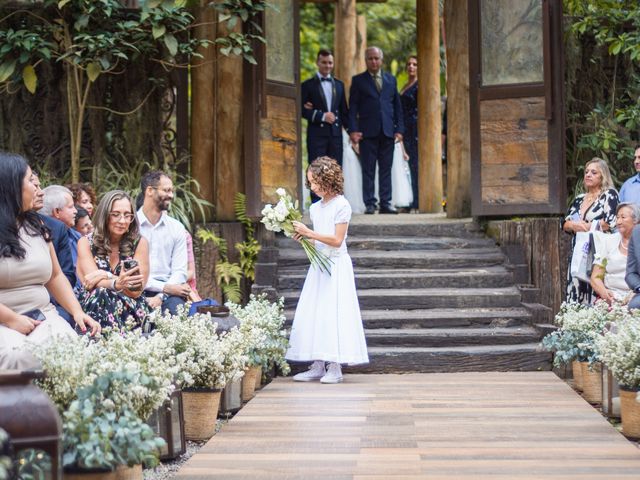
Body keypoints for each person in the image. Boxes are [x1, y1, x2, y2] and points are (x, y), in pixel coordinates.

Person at [0, 152, 100, 369]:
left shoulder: (38, 227)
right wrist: (12, 319)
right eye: (30, 181)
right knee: (18, 357)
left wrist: (77, 312)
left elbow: (55, 276)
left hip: (43, 316)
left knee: (70, 350)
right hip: (4, 322)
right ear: (11, 186)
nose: (38, 189)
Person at [286, 157, 369, 383]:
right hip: (319, 266)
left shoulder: (342, 205)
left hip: (336, 266)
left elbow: (337, 240)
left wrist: (309, 232)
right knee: (317, 313)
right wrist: (303, 239)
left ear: (327, 179)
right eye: (309, 182)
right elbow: (319, 242)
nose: (311, 186)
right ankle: (317, 364)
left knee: (334, 312)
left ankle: (335, 367)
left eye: (314, 182)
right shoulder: (314, 208)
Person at [76, 190, 150, 329]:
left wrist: (105, 275)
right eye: (115, 215)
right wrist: (117, 282)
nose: (122, 221)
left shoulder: (140, 243)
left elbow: (135, 290)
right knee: (101, 293)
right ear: (104, 216)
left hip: (131, 307)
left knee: (103, 292)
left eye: (127, 215)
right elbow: (92, 282)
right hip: (94, 304)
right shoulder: (85, 243)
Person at [348, 46, 404, 215]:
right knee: (368, 169)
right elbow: (353, 108)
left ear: (381, 60)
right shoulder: (358, 81)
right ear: (366, 60)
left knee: (386, 169)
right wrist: (353, 130)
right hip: (367, 132)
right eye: (370, 58)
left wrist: (399, 129)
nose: (374, 61)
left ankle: (386, 203)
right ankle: (370, 203)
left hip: (387, 132)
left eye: (376, 58)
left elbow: (397, 107)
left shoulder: (390, 80)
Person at [563, 158, 619, 303]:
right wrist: (574, 226)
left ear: (603, 176)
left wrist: (585, 226)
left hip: (598, 252)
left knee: (595, 290)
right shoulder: (579, 199)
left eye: (594, 172)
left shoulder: (609, 195)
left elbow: (610, 222)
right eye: (586, 172)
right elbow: (565, 224)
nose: (588, 175)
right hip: (578, 253)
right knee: (575, 289)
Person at [137, 171, 190, 314]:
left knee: (177, 311)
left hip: (170, 295)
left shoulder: (176, 228)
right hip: (135, 290)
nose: (171, 195)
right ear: (149, 191)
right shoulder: (130, 226)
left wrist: (161, 295)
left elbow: (179, 272)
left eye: (171, 191)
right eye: (166, 190)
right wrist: (164, 288)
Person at [301, 49, 349, 204]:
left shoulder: (340, 85)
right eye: (324, 62)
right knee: (316, 169)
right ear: (317, 63)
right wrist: (321, 116)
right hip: (316, 135)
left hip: (335, 135)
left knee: (335, 169)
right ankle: (316, 204)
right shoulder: (307, 85)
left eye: (330, 62)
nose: (327, 66)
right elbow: (301, 110)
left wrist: (353, 132)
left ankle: (335, 203)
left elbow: (344, 111)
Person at [590, 203, 640, 304]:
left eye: (623, 217)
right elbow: (595, 277)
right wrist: (604, 292)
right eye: (617, 217)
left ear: (636, 221)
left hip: (636, 296)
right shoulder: (608, 242)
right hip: (611, 297)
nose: (618, 221)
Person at [400, 55, 419, 212]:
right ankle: (409, 199)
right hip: (404, 129)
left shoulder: (420, 85)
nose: (411, 66)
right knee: (407, 165)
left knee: (415, 165)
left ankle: (417, 202)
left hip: (415, 129)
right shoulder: (405, 85)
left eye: (415, 64)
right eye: (409, 64)